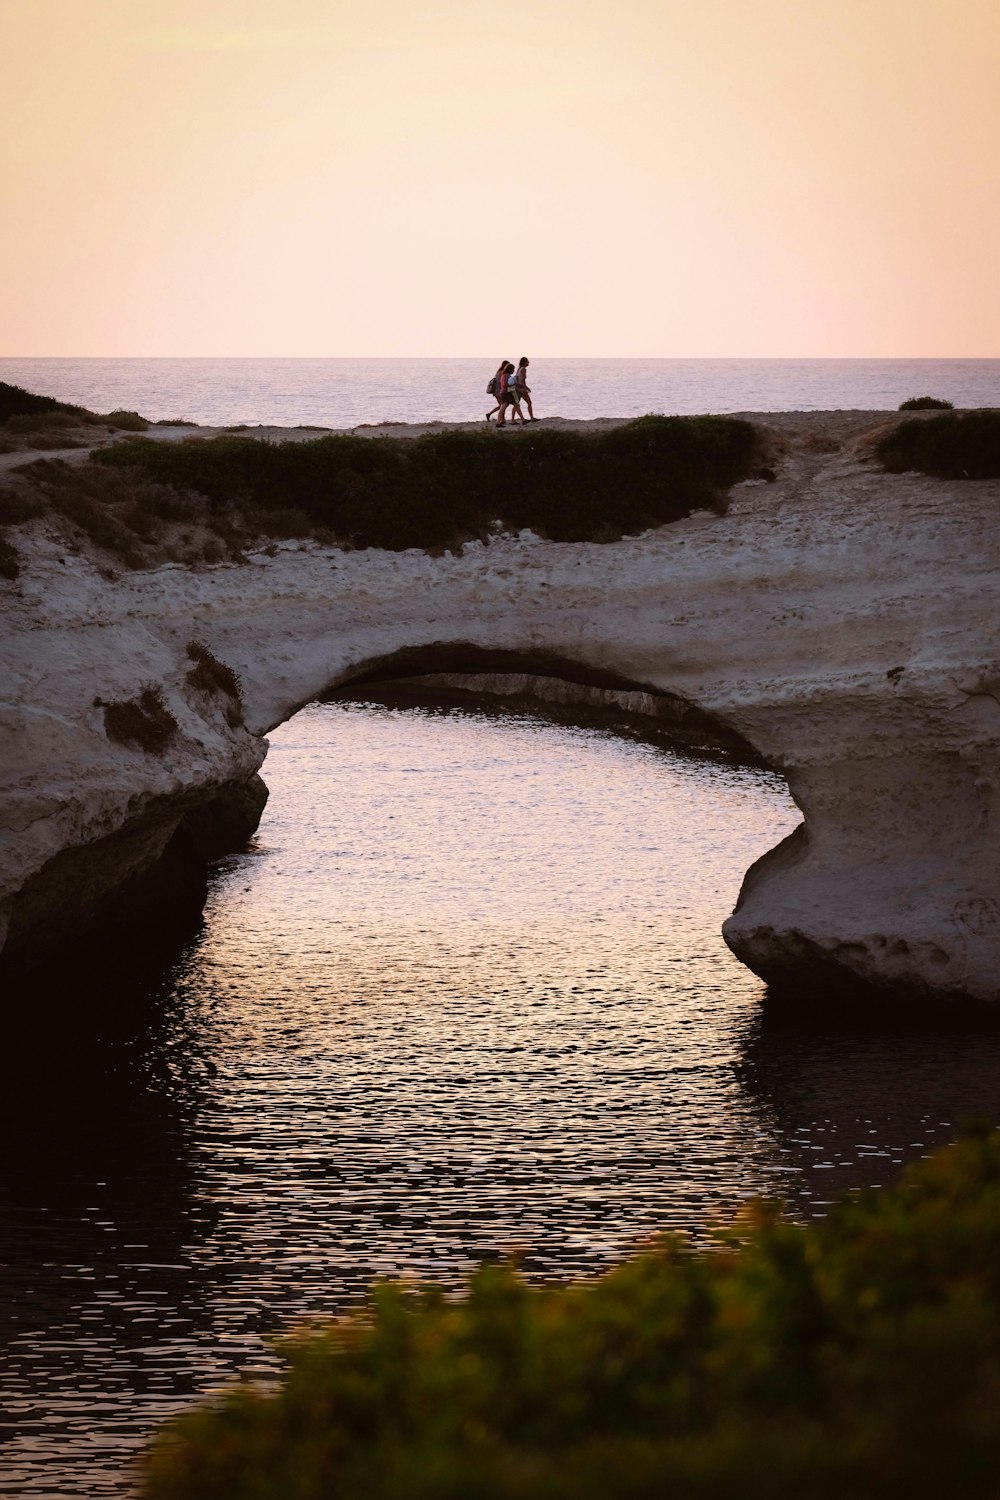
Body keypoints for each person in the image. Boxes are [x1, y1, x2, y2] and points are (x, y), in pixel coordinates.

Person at [496, 362, 527, 427]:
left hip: (503, 393)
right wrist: (513, 384)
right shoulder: (506, 376)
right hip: (508, 393)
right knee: (515, 405)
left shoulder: (503, 375)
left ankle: (498, 422)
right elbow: (505, 384)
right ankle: (523, 420)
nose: (513, 371)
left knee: (506, 407)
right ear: (510, 369)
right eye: (513, 369)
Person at [514, 357, 535, 421]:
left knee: (516, 404)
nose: (529, 362)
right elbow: (522, 380)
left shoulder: (519, 369)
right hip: (521, 388)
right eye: (527, 361)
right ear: (525, 362)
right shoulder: (523, 369)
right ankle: (532, 418)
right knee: (529, 402)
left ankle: (512, 419)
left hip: (517, 388)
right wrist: (526, 388)